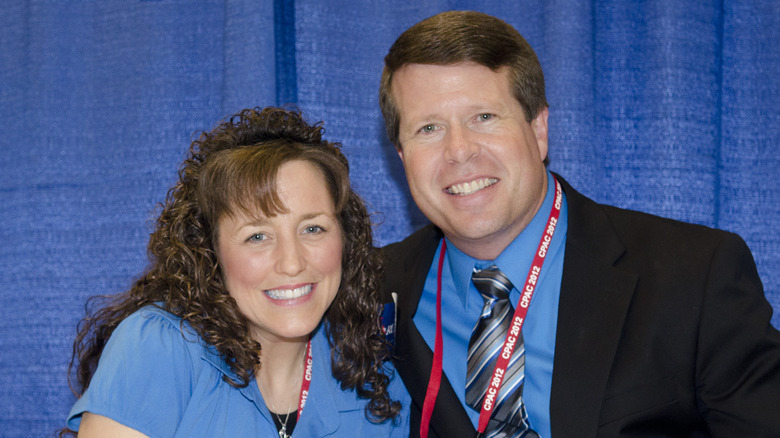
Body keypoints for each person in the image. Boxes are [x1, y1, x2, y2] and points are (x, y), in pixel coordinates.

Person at [378, 10, 780, 438]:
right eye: (428, 128)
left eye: (484, 118)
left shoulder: (694, 276)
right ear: (403, 158)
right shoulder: (367, 291)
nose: (459, 151)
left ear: (539, 129)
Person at [61, 107, 409, 437]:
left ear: (345, 238)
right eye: (257, 236)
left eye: (313, 229)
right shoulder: (159, 348)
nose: (292, 262)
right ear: (210, 252)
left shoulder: (376, 381)